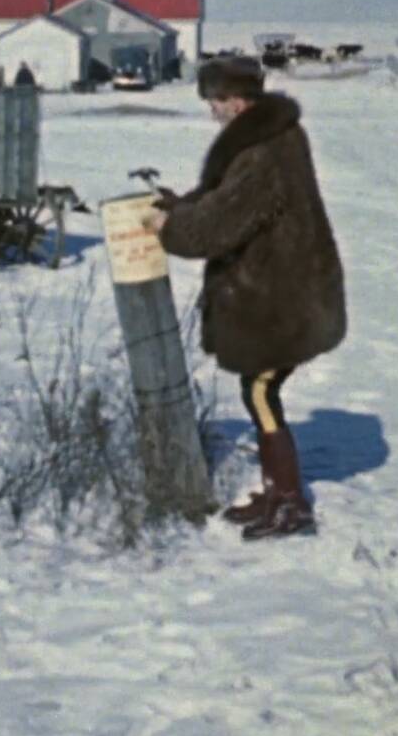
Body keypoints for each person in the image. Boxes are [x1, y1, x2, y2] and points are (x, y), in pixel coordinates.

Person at [144, 56, 346, 539]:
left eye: (215, 101)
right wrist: (183, 205)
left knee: (259, 390)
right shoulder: (270, 138)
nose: (212, 111)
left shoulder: (262, 154)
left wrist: (170, 227)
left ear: (236, 102)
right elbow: (223, 198)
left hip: (286, 302)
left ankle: (290, 503)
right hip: (289, 294)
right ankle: (278, 493)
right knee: (259, 391)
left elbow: (217, 226)